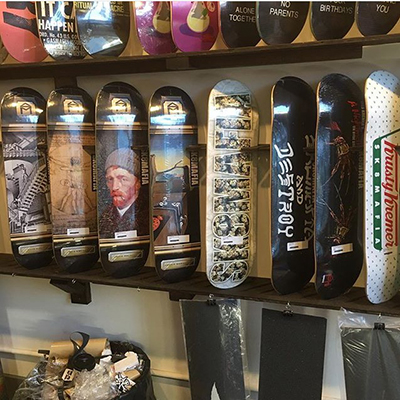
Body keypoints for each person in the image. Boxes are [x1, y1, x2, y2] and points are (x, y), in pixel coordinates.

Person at [99, 148, 148, 238]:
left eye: (123, 179)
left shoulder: (147, 216)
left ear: (137, 183)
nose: (114, 187)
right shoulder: (103, 217)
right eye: (110, 179)